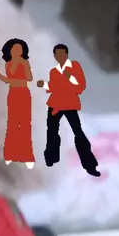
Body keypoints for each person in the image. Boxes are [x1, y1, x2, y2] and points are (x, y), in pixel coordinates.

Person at [37, 43, 100, 176]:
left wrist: (69, 77)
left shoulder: (74, 67)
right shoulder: (54, 71)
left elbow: (80, 86)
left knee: (78, 132)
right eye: (57, 54)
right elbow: (52, 87)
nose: (59, 57)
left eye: (61, 54)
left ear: (66, 55)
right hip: (55, 103)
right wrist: (44, 85)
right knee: (51, 132)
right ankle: (50, 160)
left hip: (69, 103)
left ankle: (89, 164)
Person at [0, 38, 34, 169]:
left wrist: (4, 76)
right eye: (14, 50)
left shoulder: (24, 63)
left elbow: (29, 78)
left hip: (23, 93)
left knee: (24, 124)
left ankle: (27, 156)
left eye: (18, 50)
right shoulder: (8, 65)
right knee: (12, 124)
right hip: (13, 93)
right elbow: (9, 80)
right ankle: (10, 154)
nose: (16, 52)